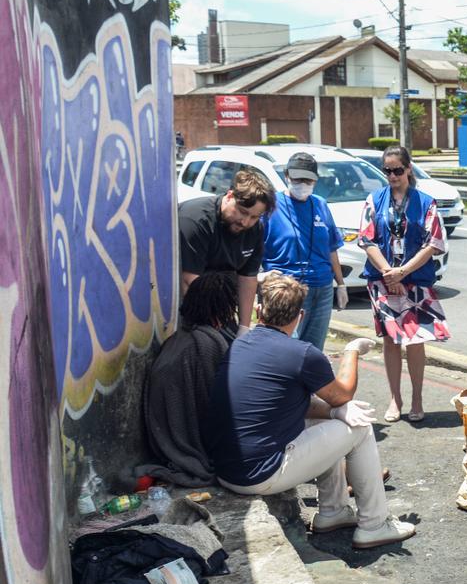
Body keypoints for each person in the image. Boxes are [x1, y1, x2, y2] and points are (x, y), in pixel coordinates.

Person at [204, 274, 415, 549]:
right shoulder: (302, 353)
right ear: (300, 316)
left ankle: (333, 511)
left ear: (258, 311)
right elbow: (342, 395)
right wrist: (351, 351)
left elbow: (292, 406)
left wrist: (332, 413)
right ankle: (375, 524)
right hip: (260, 475)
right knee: (360, 427)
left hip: (226, 471)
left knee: (326, 418)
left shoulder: (239, 344)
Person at [358, 145, 449, 422]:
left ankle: (417, 398)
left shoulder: (426, 202)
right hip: (383, 279)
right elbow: (366, 239)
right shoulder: (375, 200)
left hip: (415, 281)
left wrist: (403, 272)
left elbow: (433, 243)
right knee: (391, 341)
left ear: (408, 168)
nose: (393, 175)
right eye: (388, 171)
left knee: (416, 340)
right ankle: (395, 399)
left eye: (398, 170)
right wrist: (389, 273)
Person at [140, 271, 239, 486]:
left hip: (161, 440)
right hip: (186, 440)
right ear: (221, 308)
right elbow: (216, 404)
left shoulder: (178, 338)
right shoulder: (208, 343)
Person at [262, 151, 347, 349]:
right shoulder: (270, 206)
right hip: (286, 288)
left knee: (313, 351)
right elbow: (254, 247)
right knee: (286, 349)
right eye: (298, 179)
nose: (303, 184)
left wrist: (341, 284)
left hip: (322, 288)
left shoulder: (320, 204)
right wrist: (260, 276)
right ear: (286, 176)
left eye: (308, 180)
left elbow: (331, 248)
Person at [179, 168, 275, 332]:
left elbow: (247, 279)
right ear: (230, 196)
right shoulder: (196, 221)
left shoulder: (254, 229)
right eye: (242, 212)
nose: (245, 222)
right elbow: (189, 281)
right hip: (187, 305)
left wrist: (243, 327)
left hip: (221, 306)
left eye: (254, 217)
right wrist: (213, 328)